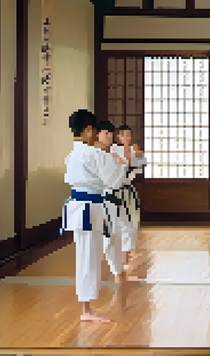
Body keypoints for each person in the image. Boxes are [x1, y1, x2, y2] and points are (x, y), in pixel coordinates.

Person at [62, 109, 127, 323]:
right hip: (90, 208)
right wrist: (118, 161)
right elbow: (115, 181)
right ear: (88, 129)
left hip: (80, 208)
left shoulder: (72, 154)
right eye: (95, 130)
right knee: (89, 257)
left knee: (87, 256)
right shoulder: (94, 154)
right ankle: (86, 310)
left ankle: (86, 307)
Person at [110, 124, 147, 278]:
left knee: (132, 223)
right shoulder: (113, 150)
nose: (127, 138)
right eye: (124, 135)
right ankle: (121, 260)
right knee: (118, 224)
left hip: (128, 190)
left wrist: (139, 155)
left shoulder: (133, 150)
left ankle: (127, 255)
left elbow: (141, 163)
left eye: (129, 135)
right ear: (118, 137)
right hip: (115, 190)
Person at [95, 120, 127, 284]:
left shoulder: (111, 154)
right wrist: (121, 165)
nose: (109, 136)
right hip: (101, 200)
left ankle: (119, 272)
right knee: (108, 238)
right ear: (96, 134)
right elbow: (112, 181)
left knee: (115, 236)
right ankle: (116, 272)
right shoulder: (95, 154)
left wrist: (120, 163)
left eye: (110, 133)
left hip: (112, 199)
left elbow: (119, 181)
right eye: (105, 133)